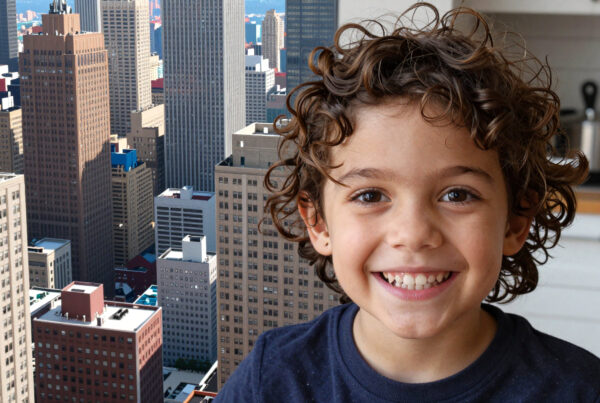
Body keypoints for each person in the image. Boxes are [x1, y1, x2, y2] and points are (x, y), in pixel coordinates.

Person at [215, 3, 600, 402]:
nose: (413, 235)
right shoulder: (271, 380)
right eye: (370, 196)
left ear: (516, 220)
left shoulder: (580, 389)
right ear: (319, 223)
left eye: (457, 195)